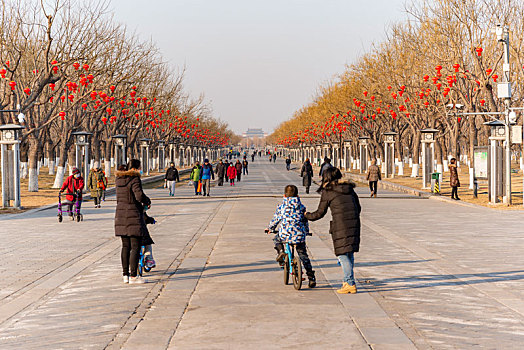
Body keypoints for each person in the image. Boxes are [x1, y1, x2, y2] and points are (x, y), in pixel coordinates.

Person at [305, 167, 361, 294]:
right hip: (354, 223)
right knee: (349, 253)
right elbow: (358, 207)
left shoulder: (328, 191)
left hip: (340, 225)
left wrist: (306, 215)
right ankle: (347, 282)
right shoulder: (349, 189)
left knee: (341, 255)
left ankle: (350, 283)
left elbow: (320, 213)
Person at [267, 185, 316, 288]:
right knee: (303, 255)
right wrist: (306, 231)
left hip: (285, 234)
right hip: (298, 235)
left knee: (276, 238)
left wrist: (270, 228)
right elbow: (305, 221)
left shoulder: (281, 207)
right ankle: (311, 277)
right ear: (297, 195)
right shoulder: (301, 207)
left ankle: (281, 252)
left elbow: (276, 220)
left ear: (284, 195)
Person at [115, 159, 151, 284]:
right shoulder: (134, 179)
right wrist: (147, 201)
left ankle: (125, 275)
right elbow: (139, 196)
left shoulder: (118, 180)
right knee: (135, 246)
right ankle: (134, 276)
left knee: (125, 246)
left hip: (120, 215)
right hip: (133, 215)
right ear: (135, 168)